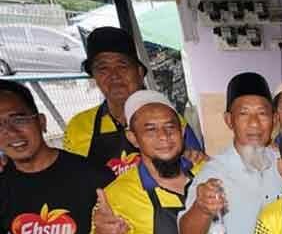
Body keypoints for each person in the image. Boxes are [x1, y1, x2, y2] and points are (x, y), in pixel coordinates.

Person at [88, 91, 226, 234]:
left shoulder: (207, 171)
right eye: (150, 130)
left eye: (170, 127)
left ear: (181, 131)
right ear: (133, 137)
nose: (164, 136)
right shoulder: (118, 194)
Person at [178, 72, 282, 234]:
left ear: (275, 119)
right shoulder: (213, 174)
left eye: (262, 113)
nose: (255, 123)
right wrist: (201, 208)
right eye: (244, 114)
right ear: (229, 120)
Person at [0, 80, 113, 234]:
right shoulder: (4, 185)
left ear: (41, 122)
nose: (10, 132)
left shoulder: (92, 176)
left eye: (19, 119)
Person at [64, 26, 203, 177]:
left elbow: (198, 170)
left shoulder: (168, 120)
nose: (114, 76)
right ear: (94, 77)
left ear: (139, 72)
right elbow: (72, 179)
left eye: (122, 66)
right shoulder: (78, 127)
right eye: (103, 69)